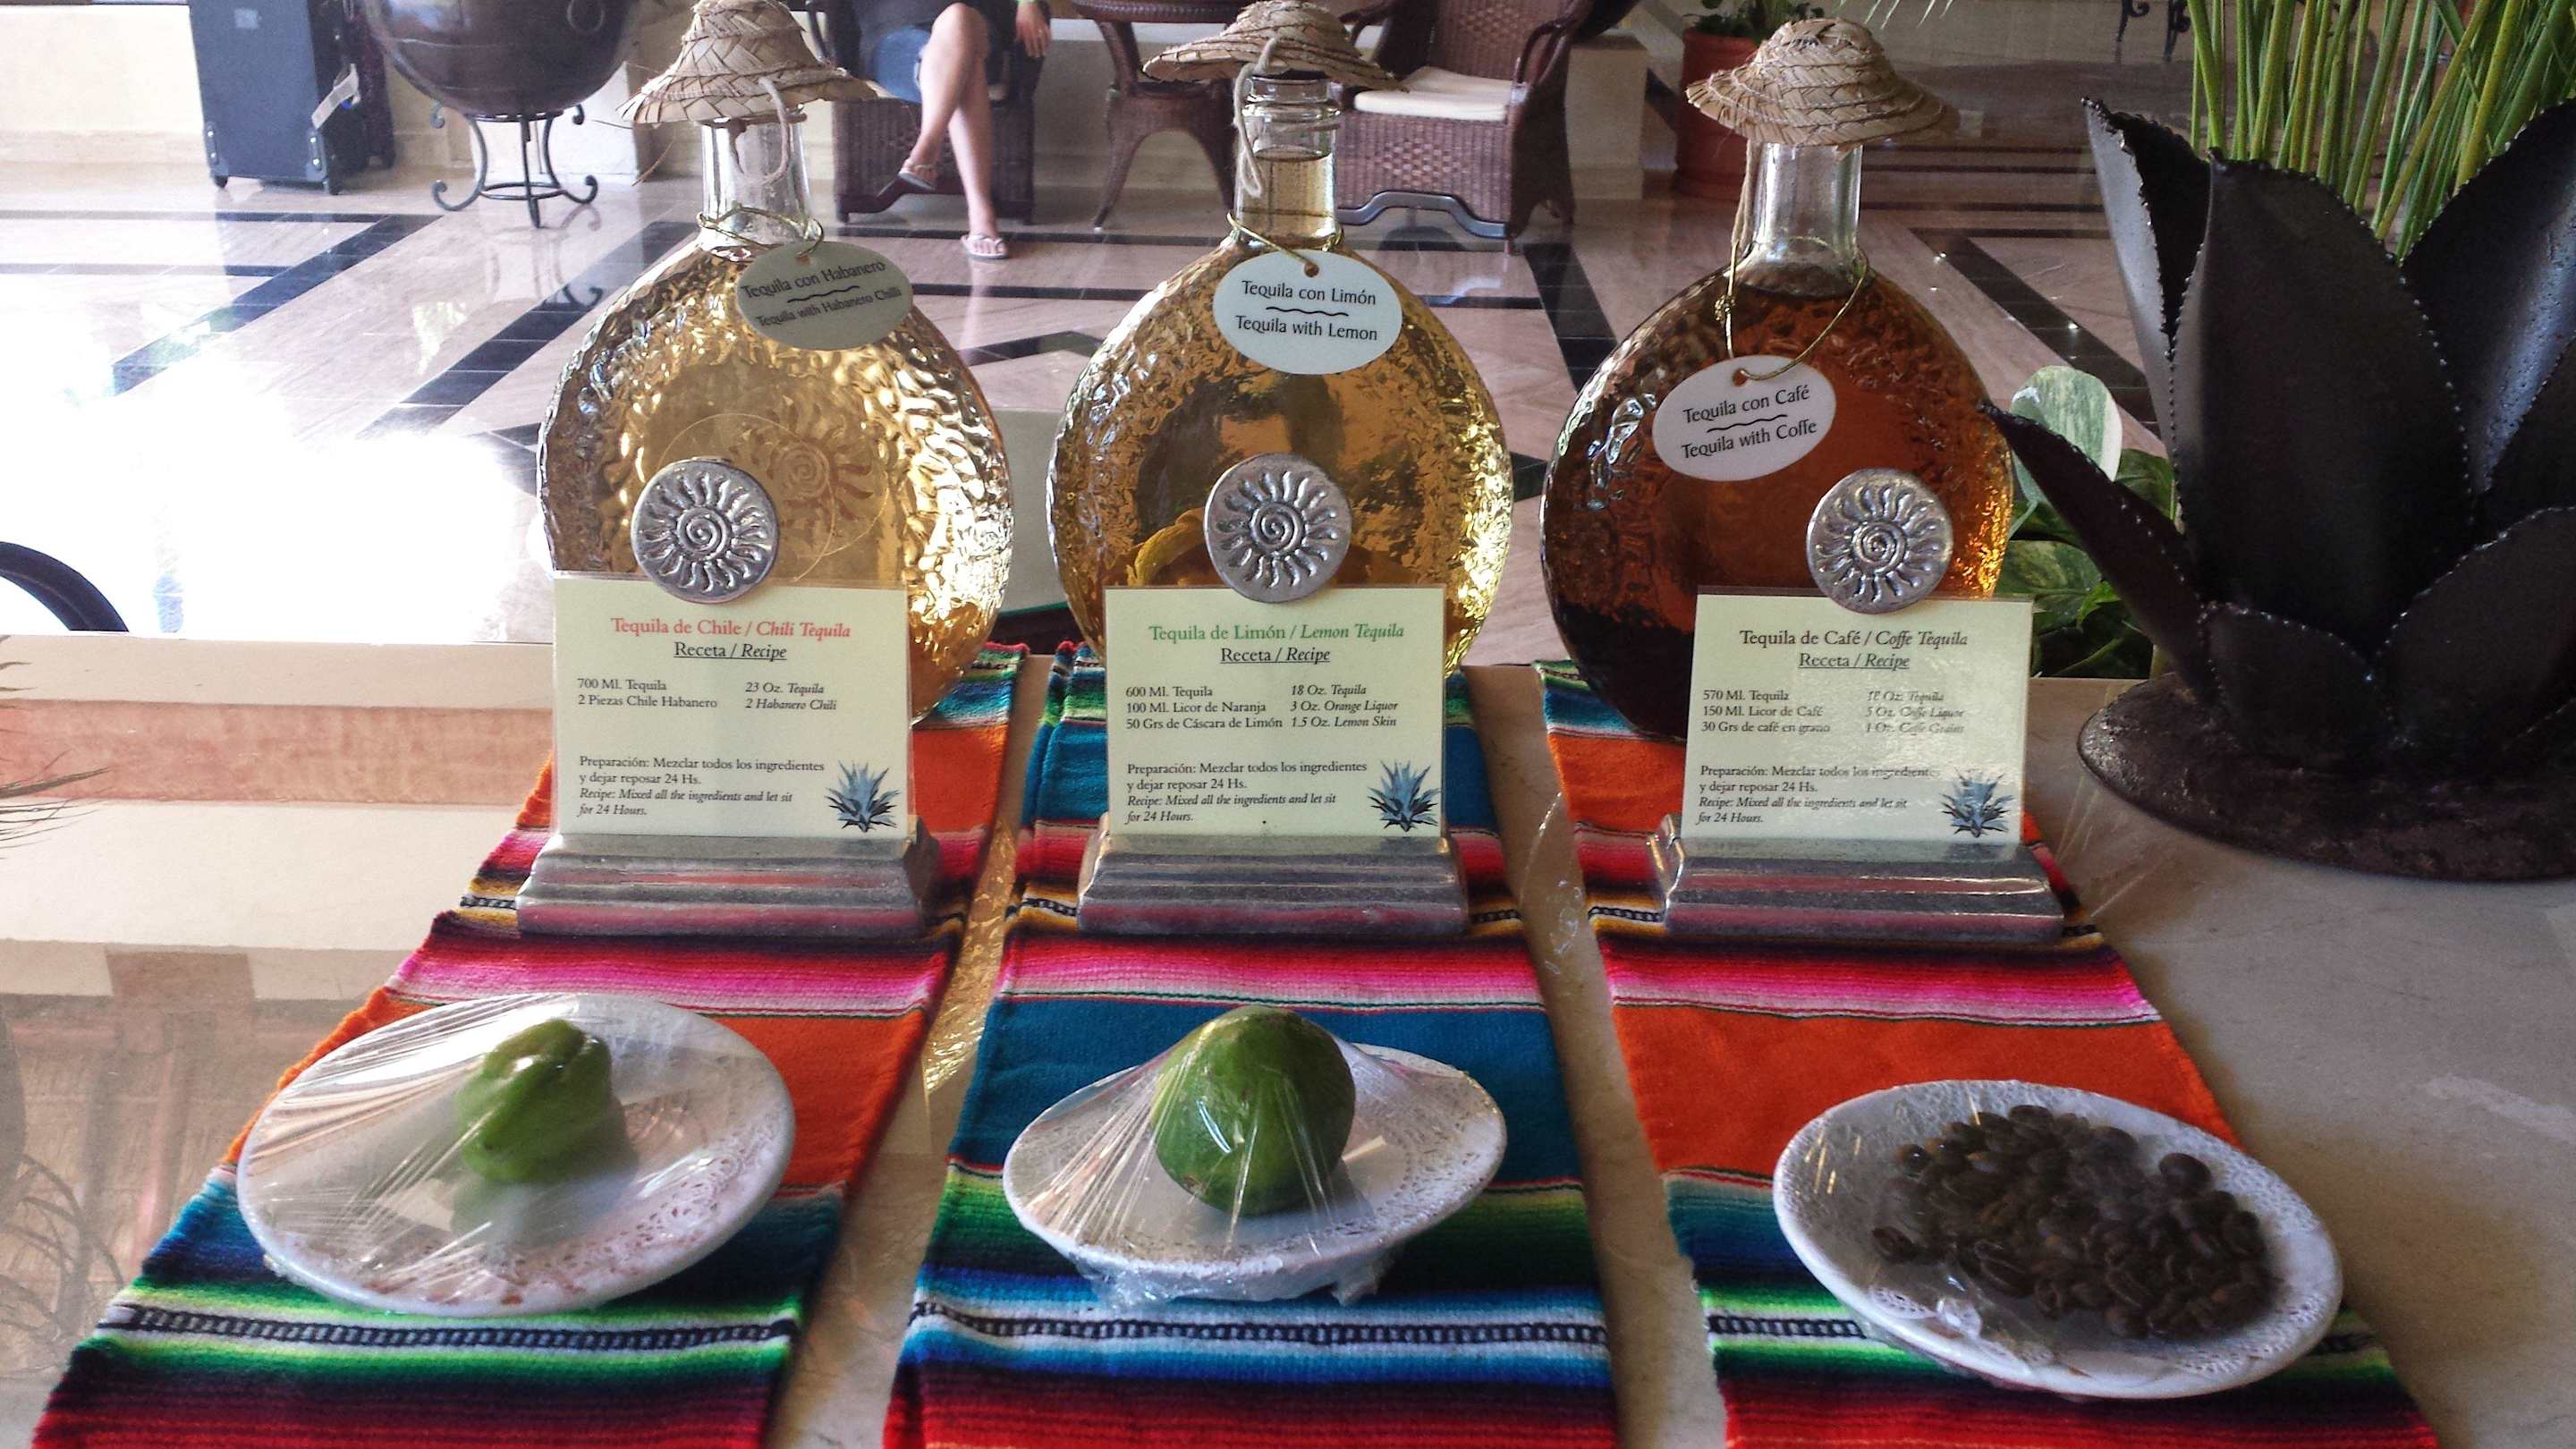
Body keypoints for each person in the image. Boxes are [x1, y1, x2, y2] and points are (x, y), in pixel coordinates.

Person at [864, 0, 1050, 260]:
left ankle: (928, 146)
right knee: (967, 67)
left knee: (958, 17)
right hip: (896, 35)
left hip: (975, 29)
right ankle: (981, 217)